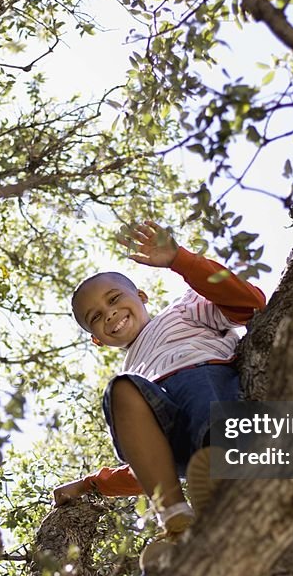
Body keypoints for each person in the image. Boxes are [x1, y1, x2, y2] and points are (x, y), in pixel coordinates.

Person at [52, 220, 266, 547]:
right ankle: (176, 522)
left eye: (113, 299)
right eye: (95, 317)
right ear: (96, 340)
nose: (109, 314)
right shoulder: (135, 374)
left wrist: (180, 259)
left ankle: (230, 480)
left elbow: (250, 304)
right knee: (121, 392)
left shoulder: (184, 310)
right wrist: (89, 484)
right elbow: (146, 462)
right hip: (179, 440)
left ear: (141, 296)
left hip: (214, 396)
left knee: (195, 386)